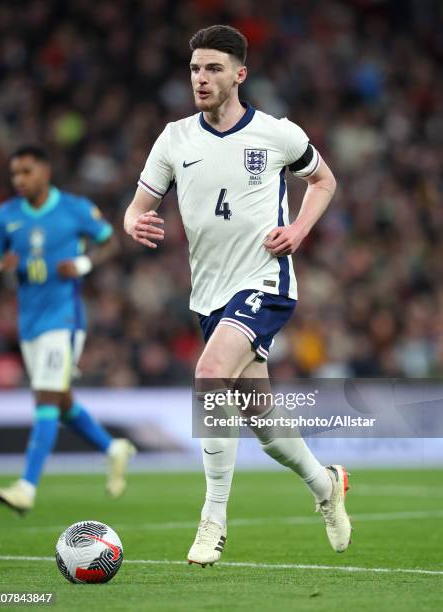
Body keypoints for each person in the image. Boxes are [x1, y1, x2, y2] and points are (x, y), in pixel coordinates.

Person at [124, 25, 351, 566]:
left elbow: (324, 182)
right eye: (196, 69)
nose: (201, 79)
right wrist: (135, 220)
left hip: (264, 282)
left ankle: (213, 520)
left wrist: (298, 230)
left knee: (208, 374)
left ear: (239, 75)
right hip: (209, 295)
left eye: (214, 69)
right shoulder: (174, 139)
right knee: (265, 424)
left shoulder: (277, 134)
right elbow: (139, 204)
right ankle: (326, 486)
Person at [0, 145, 135, 514]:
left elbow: (109, 243)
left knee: (46, 398)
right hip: (29, 321)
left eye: (27, 172)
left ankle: (27, 487)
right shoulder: (6, 215)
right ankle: (112, 447)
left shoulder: (75, 209)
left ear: (45, 171)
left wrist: (83, 263)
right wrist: (1, 265)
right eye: (15, 174)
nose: (20, 180)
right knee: (60, 400)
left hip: (64, 318)